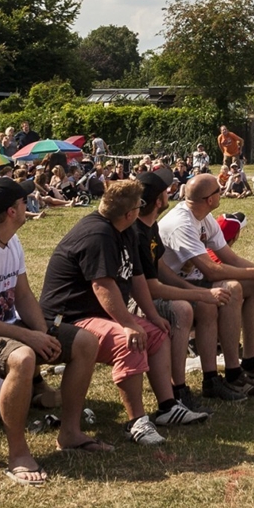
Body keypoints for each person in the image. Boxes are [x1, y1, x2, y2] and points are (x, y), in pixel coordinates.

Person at [0, 178, 107, 482]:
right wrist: (28, 337)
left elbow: (23, 295)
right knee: (22, 358)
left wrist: (43, 331)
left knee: (84, 341)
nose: (27, 205)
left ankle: (70, 433)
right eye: (23, 202)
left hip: (0, 329)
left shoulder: (11, 240)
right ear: (11, 211)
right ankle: (17, 454)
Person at [40, 180, 206, 443]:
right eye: (139, 205)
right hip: (66, 319)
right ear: (129, 213)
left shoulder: (125, 229)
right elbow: (102, 286)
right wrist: (128, 323)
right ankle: (136, 422)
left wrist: (151, 316)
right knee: (128, 340)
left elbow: (137, 278)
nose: (142, 208)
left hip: (98, 315)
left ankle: (167, 407)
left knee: (156, 333)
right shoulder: (98, 234)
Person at [159, 175, 254, 397]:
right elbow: (212, 270)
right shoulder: (181, 223)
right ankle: (232, 372)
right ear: (209, 199)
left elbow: (230, 258)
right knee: (232, 289)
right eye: (219, 190)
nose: (222, 192)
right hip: (172, 288)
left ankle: (249, 361)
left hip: (191, 281)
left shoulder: (202, 217)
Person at [131, 169, 212, 418]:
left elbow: (161, 270)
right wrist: (198, 295)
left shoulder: (150, 226)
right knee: (181, 308)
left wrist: (193, 290)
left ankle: (214, 378)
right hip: (133, 302)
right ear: (158, 201)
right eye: (166, 192)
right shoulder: (136, 233)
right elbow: (151, 287)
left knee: (196, 303)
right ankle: (178, 389)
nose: (171, 194)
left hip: (147, 295)